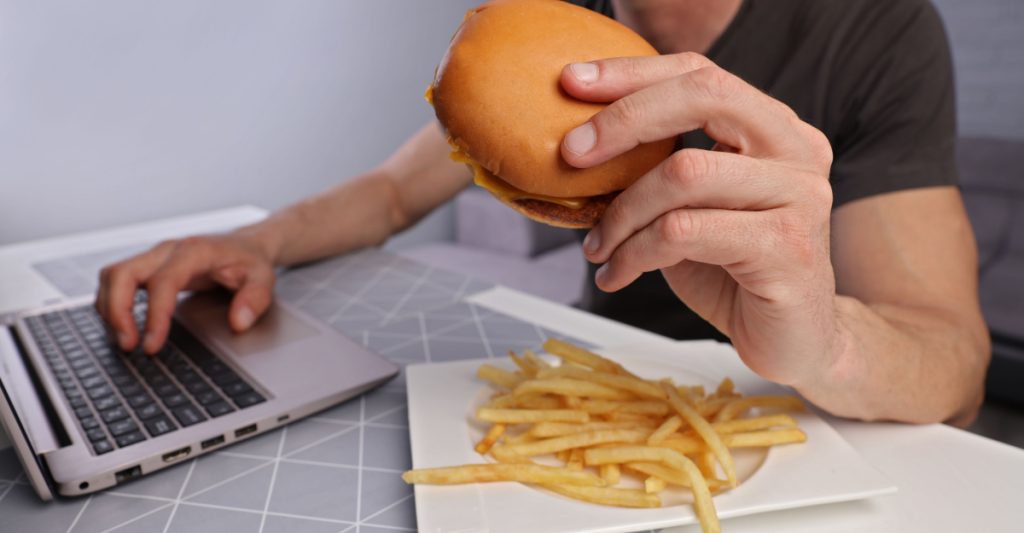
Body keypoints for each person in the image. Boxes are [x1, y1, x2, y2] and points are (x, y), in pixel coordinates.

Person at [94, 0, 990, 426]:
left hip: (799, 423)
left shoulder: (878, 29)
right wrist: (255, 239)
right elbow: (399, 188)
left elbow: (953, 360)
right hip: (594, 396)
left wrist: (823, 342)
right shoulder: (562, 20)